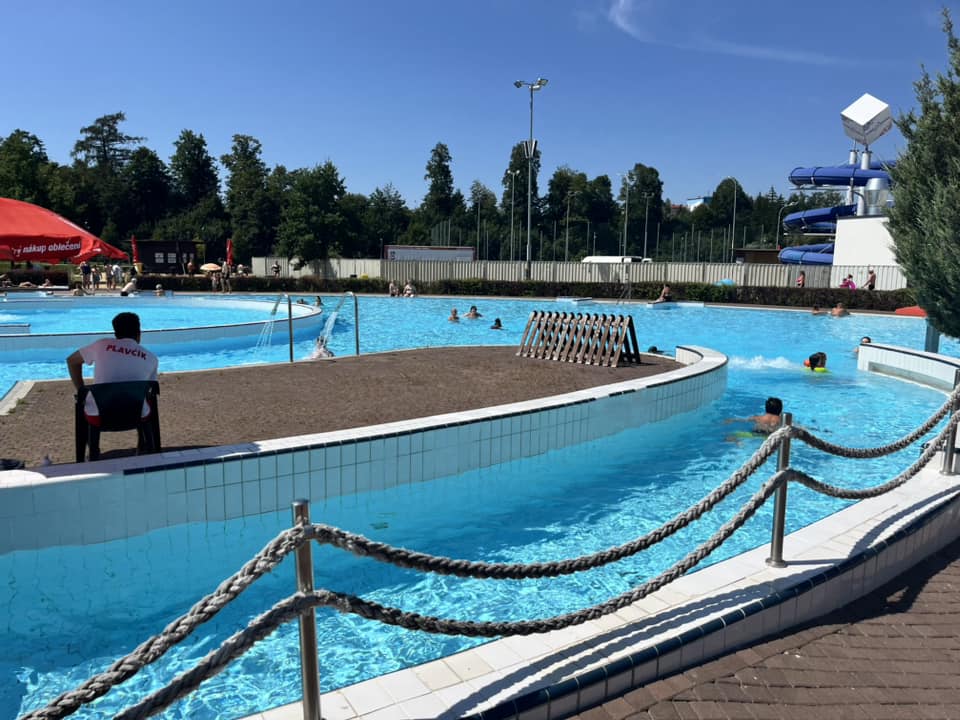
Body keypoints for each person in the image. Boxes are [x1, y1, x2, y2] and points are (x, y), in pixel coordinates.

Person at [66, 311, 159, 429]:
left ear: (116, 334)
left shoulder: (101, 345)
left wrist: (81, 390)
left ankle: (93, 447)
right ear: (139, 333)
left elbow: (71, 361)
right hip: (137, 415)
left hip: (98, 415)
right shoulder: (151, 358)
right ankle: (144, 443)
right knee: (145, 401)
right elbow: (151, 390)